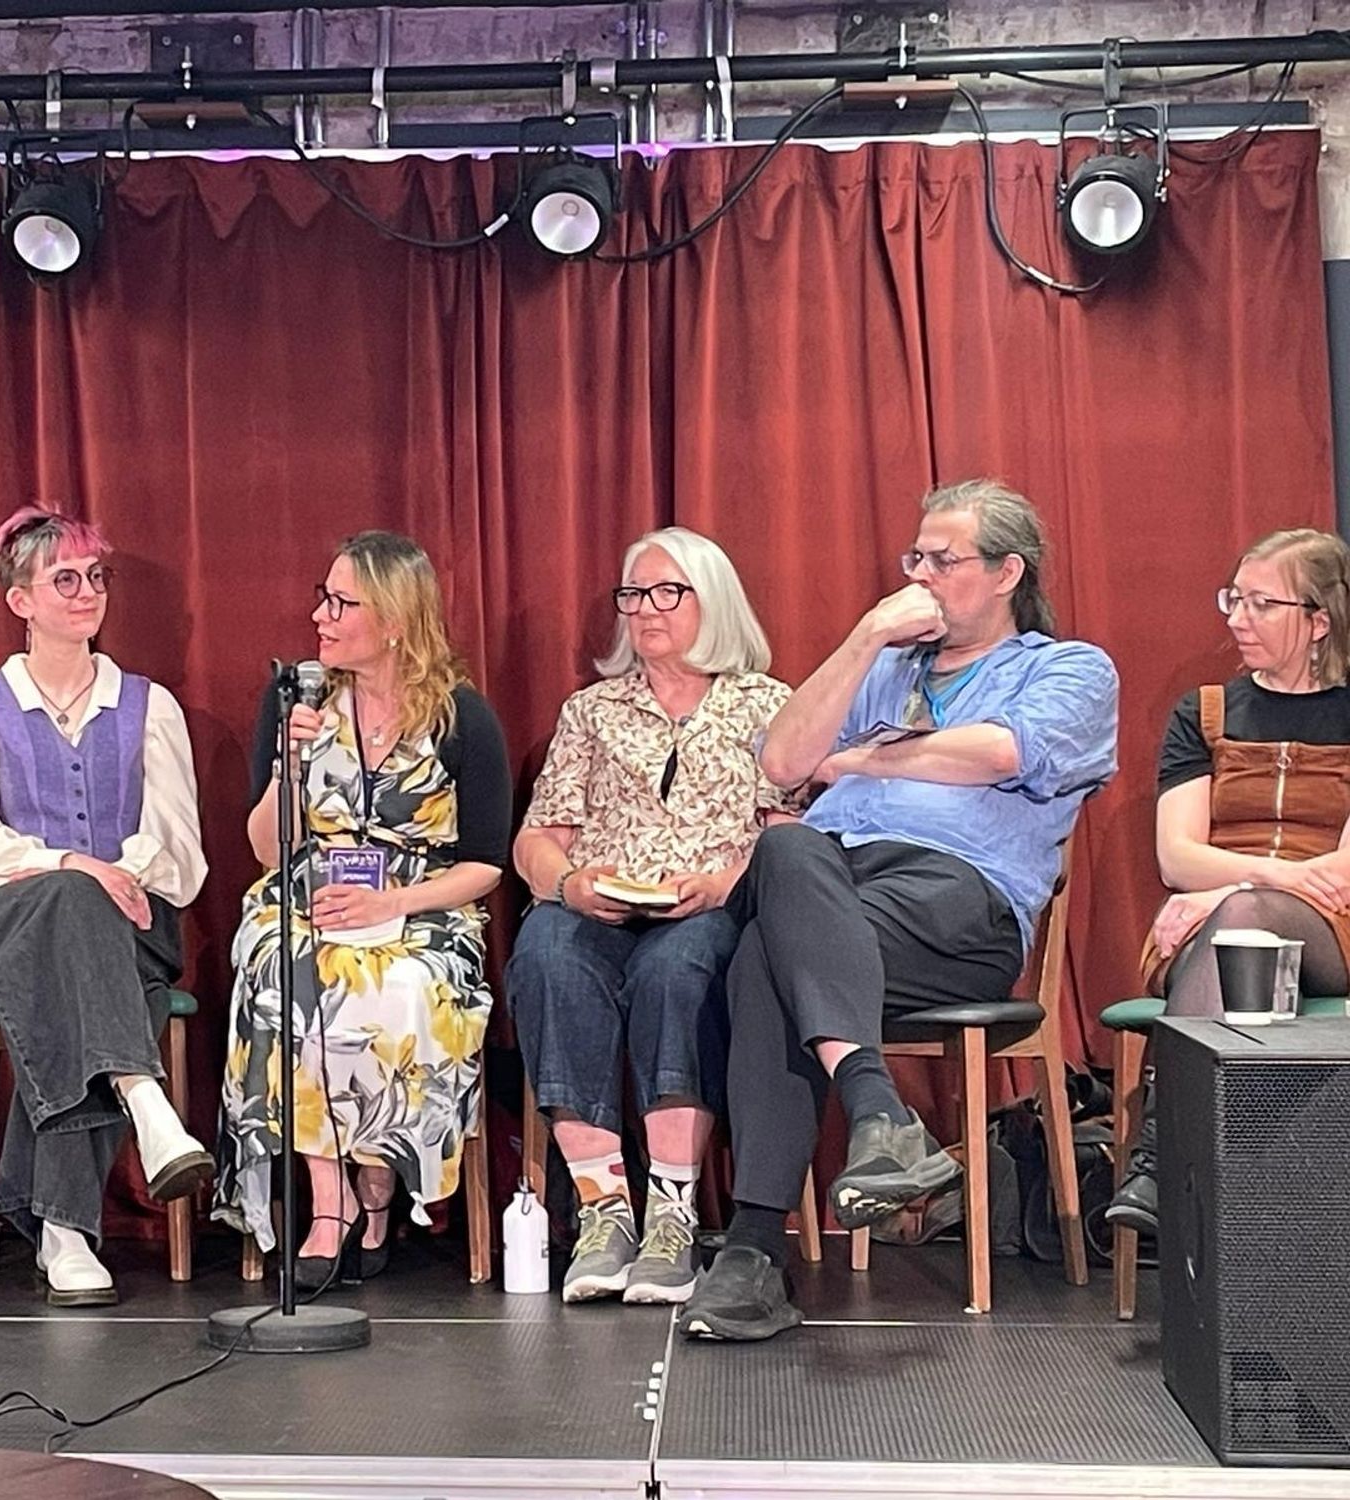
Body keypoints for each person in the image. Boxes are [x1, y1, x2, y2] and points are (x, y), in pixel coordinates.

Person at [689, 479, 1119, 1342]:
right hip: (835, 889)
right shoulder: (884, 665)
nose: (921, 575)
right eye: (914, 557)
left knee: (764, 949)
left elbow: (998, 752)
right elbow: (782, 759)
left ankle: (752, 1252)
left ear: (1006, 572)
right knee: (785, 856)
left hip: (958, 904)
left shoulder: (1066, 668)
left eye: (943, 559)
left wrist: (865, 762)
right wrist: (865, 636)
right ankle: (879, 1113)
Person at [507, 528, 801, 1306]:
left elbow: (790, 835)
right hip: (601, 901)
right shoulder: (593, 711)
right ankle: (605, 1210)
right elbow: (536, 838)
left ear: (716, 602)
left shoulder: (769, 706)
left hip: (712, 905)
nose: (645, 610)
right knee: (546, 953)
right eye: (634, 596)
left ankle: (671, 1210)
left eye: (667, 593)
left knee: (682, 966)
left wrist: (722, 882)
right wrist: (568, 884)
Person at [215, 531, 512, 1289]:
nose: (321, 615)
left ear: (395, 620)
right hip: (309, 899)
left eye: (342, 602)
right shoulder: (297, 703)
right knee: (288, 968)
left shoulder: (461, 718)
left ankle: (377, 1176)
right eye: (324, 596)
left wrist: (393, 901)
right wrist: (289, 760)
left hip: (421, 908)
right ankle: (329, 1201)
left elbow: (485, 865)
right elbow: (262, 848)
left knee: (401, 986)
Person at [0, 507, 211, 1307]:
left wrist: (112, 874)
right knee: (67, 904)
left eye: (96, 577)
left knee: (71, 959)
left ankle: (63, 1228)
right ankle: (141, 1097)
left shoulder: (149, 706)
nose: (86, 593)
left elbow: (181, 854)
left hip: (132, 926)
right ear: (20, 599)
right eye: (65, 579)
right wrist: (68, 862)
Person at [1107, 528, 1350, 1235]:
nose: (1236, 618)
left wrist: (1221, 894)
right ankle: (1186, 1172)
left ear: (1318, 620)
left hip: (1328, 928)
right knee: (1240, 924)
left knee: (1244, 914)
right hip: (1212, 929)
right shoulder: (1206, 712)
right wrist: (1237, 893)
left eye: (1259, 603)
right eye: (1233, 600)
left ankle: (1160, 1159)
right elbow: (1177, 856)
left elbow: (1341, 873)